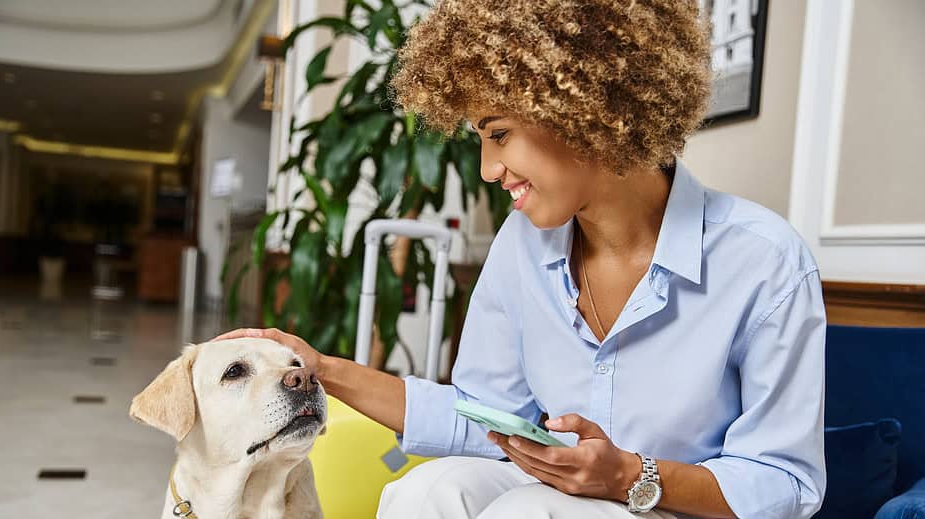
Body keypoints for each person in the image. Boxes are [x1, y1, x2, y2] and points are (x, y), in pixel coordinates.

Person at [217, 0, 827, 517]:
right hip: (555, 496)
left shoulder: (763, 260)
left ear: (586, 109)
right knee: (425, 493)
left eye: (499, 134)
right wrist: (323, 369)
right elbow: (486, 418)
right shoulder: (523, 243)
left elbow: (787, 482)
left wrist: (629, 475)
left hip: (671, 505)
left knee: (527, 512)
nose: (489, 169)